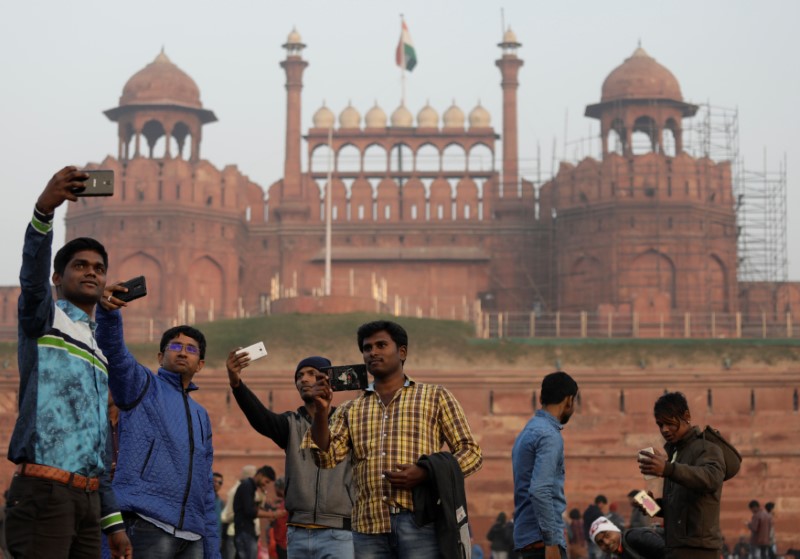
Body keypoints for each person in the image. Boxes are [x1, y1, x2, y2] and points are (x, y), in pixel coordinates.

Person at [5, 166, 130, 559]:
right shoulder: (43, 319)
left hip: (88, 503)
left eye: (98, 268)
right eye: (80, 266)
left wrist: (113, 522)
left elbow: (97, 442)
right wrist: (44, 212)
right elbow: (32, 276)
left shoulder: (94, 348)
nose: (91, 272)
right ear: (59, 277)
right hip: (45, 492)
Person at [304, 319, 483, 559]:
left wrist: (426, 472)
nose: (372, 353)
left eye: (381, 345)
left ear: (402, 352)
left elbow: (471, 452)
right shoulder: (350, 408)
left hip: (421, 521)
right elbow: (326, 458)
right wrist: (321, 412)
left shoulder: (435, 397)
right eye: (367, 348)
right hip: (368, 527)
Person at [96, 288, 221, 559]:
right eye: (175, 346)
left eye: (190, 349)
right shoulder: (143, 387)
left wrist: (212, 549)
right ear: (159, 356)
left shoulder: (201, 415)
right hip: (146, 521)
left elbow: (205, 485)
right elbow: (115, 356)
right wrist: (108, 315)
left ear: (200, 364)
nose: (182, 352)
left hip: (192, 535)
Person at [227, 352, 355, 558]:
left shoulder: (348, 423)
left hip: (339, 532)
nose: (303, 379)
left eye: (311, 373)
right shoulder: (290, 424)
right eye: (299, 376)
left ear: (327, 380)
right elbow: (260, 417)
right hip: (298, 532)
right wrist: (236, 383)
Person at [638, 391, 725, 559]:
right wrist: (651, 507)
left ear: (686, 416)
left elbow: (712, 478)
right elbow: (680, 505)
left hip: (699, 551)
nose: (664, 430)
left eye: (669, 423)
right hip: (675, 548)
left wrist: (668, 469)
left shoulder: (706, 448)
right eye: (660, 425)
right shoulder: (676, 453)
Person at [511, 371, 579, 559]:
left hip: (527, 537)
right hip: (542, 542)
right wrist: (551, 542)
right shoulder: (548, 435)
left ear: (541, 397)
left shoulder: (528, 430)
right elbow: (540, 489)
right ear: (569, 400)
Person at [233, 465, 284, 559]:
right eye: (266, 481)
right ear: (260, 475)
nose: (265, 484)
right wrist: (272, 514)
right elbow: (250, 511)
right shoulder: (247, 486)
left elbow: (253, 507)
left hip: (246, 531)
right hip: (244, 531)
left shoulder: (251, 487)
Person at [221, 465, 257, 559]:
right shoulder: (236, 490)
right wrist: (243, 513)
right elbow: (227, 515)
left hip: (248, 531)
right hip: (235, 532)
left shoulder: (251, 490)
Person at [588, 516, 665, 559]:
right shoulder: (618, 553)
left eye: (607, 535)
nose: (606, 542)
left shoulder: (633, 537)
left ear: (615, 529)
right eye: (600, 542)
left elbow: (668, 552)